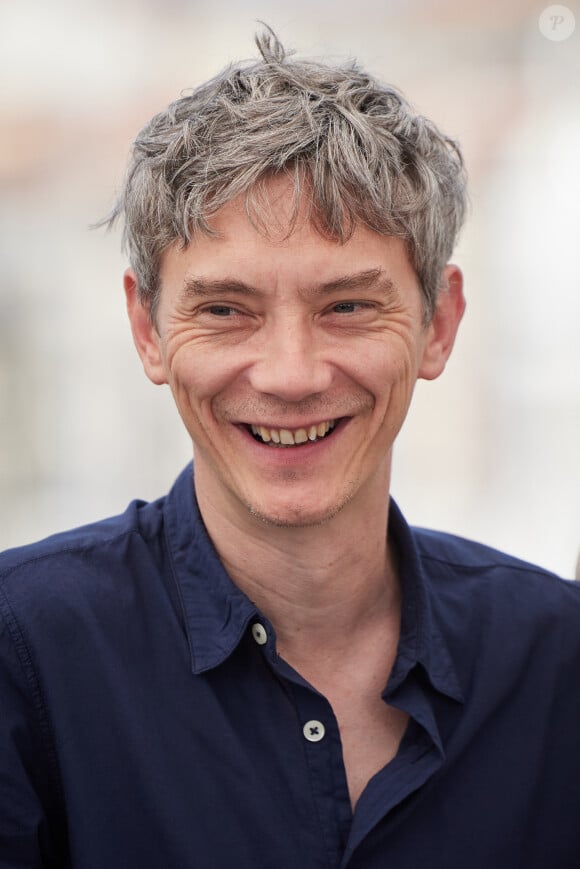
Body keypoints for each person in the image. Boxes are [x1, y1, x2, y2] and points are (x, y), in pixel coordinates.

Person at [1, 27, 579, 869]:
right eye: (225, 310)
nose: (290, 374)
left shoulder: (557, 661)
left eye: (346, 306)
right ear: (147, 328)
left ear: (439, 323)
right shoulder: (24, 655)